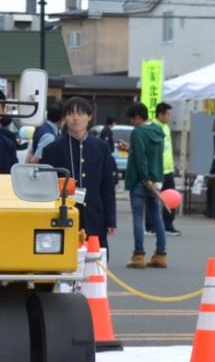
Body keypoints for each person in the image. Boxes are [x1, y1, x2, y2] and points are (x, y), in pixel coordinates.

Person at [41, 97, 116, 251]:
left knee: (95, 263)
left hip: (95, 215)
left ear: (89, 117)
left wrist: (110, 220)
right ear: (64, 118)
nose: (75, 118)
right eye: (70, 114)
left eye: (80, 114)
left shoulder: (101, 147)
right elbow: (45, 187)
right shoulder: (52, 149)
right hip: (62, 217)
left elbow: (107, 186)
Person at [123, 101, 168, 268]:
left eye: (131, 119)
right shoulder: (159, 131)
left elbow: (141, 157)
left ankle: (139, 255)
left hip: (139, 180)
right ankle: (161, 254)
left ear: (137, 117)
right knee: (156, 216)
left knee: (138, 217)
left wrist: (144, 177)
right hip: (156, 180)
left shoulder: (138, 132)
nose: (131, 122)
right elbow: (154, 155)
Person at [154, 101, 181, 236]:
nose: (170, 117)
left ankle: (168, 224)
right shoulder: (154, 128)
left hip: (168, 169)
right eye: (168, 114)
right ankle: (151, 226)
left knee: (171, 198)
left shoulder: (166, 127)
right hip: (157, 170)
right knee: (153, 198)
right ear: (160, 114)